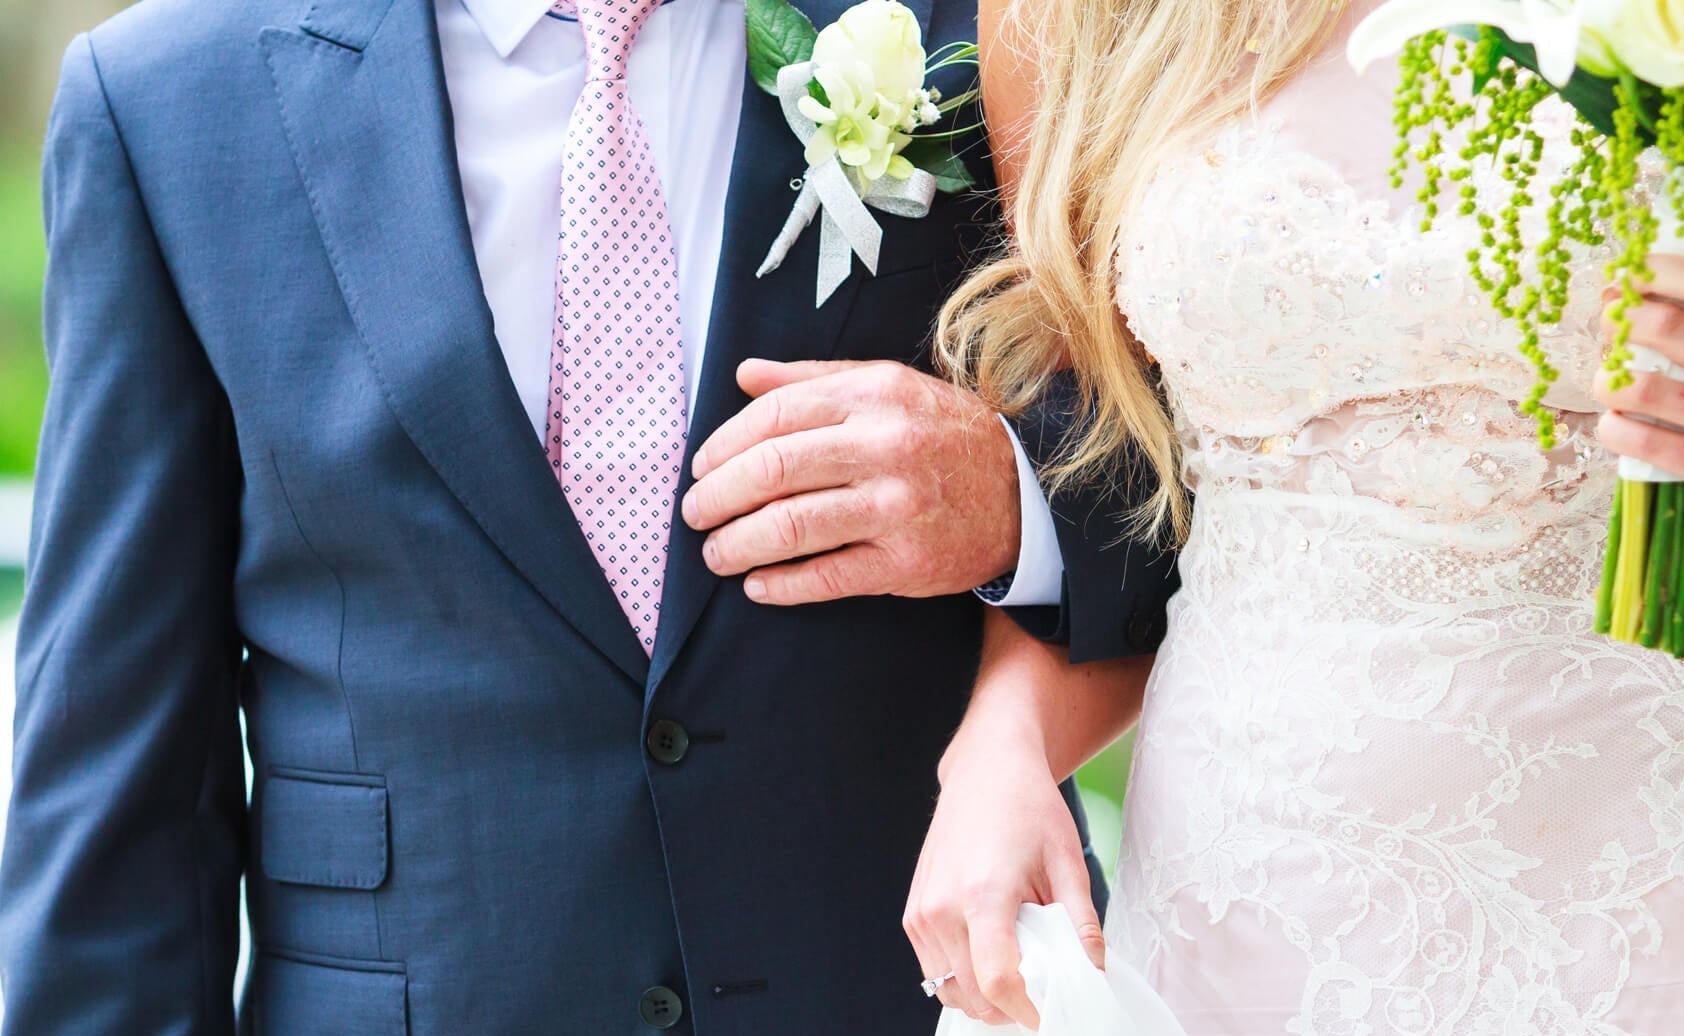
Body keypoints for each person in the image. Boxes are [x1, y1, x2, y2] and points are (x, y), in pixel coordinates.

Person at [0, 0, 1176, 1032]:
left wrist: (1013, 499)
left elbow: (1226, 470)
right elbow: (117, 766)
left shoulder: (989, 32)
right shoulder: (170, 98)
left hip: (914, 996)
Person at [905, 0, 1684, 1032]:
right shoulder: (1077, 18)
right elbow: (1102, 489)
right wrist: (1002, 744)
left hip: (1675, 909)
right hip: (1253, 915)